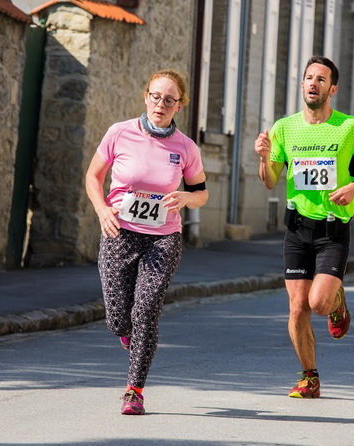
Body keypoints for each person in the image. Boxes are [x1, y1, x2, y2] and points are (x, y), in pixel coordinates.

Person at [254, 55, 354, 399]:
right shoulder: (284, 128)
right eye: (309, 77)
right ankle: (309, 377)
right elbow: (270, 182)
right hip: (297, 228)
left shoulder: (350, 127)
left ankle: (337, 301)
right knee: (297, 308)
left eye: (321, 79)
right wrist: (263, 157)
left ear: (333, 88)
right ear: (302, 85)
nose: (313, 83)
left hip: (332, 230)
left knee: (319, 304)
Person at [85, 69, 208, 415]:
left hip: (163, 239)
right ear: (146, 97)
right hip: (119, 232)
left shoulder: (185, 147)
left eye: (169, 100)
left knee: (146, 310)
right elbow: (93, 176)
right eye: (156, 97)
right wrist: (101, 210)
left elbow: (201, 194)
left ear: (179, 105)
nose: (161, 104)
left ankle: (134, 390)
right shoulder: (119, 133)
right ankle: (128, 334)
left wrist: (185, 198)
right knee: (117, 319)